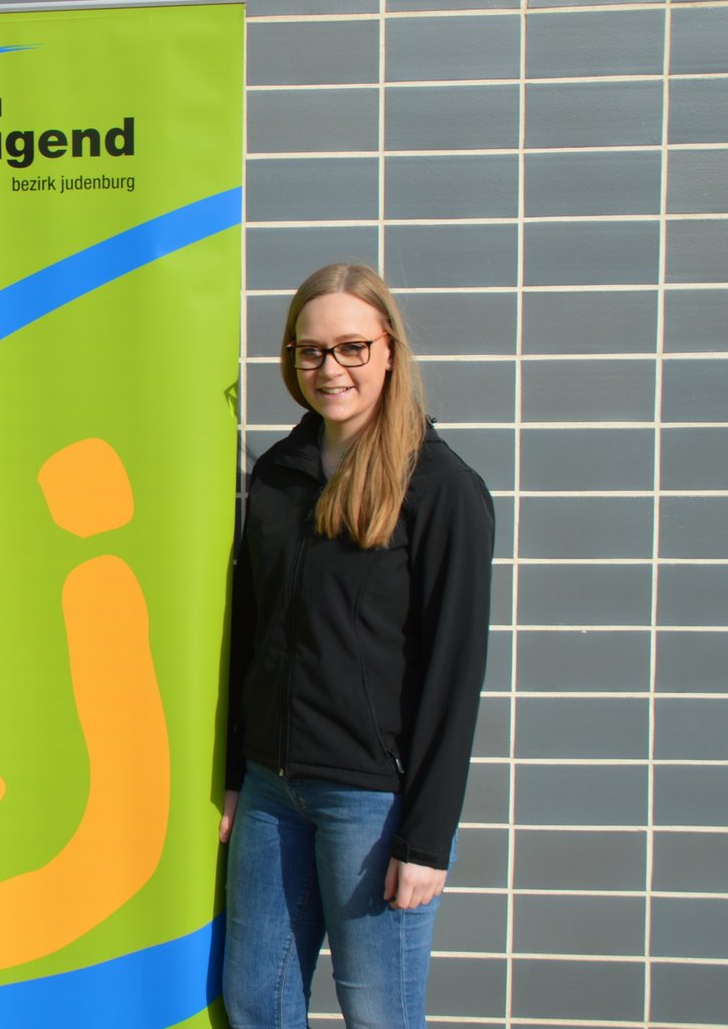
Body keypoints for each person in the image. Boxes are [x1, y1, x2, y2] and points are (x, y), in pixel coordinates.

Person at [219, 262, 494, 1028]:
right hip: (271, 791)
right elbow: (250, 634)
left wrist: (427, 840)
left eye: (351, 348)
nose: (329, 368)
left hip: (371, 804)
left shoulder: (440, 489)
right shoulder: (279, 476)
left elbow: (455, 675)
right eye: (310, 351)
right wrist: (235, 772)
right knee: (255, 1003)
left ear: (389, 350)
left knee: (378, 1017)